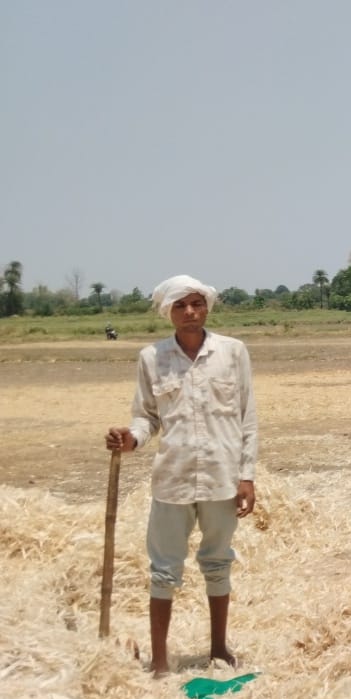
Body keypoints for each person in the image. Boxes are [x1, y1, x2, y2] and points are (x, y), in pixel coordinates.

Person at [104, 274, 257, 678]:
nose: (190, 312)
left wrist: (248, 475)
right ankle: (158, 660)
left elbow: (248, 419)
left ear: (206, 307)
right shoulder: (152, 358)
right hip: (172, 479)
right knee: (164, 569)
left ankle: (220, 649)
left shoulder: (233, 353)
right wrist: (130, 440)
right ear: (168, 313)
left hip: (222, 478)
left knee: (218, 562)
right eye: (180, 306)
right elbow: (146, 417)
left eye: (196, 303)